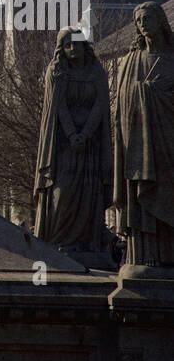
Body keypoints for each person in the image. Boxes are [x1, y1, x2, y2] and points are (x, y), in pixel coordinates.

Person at [33, 28, 112, 253]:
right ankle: (58, 242)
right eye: (67, 45)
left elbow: (101, 105)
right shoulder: (56, 70)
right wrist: (72, 135)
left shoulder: (96, 71)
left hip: (90, 145)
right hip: (63, 145)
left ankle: (87, 244)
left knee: (89, 193)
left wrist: (85, 134)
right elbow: (57, 105)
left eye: (76, 44)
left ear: (84, 46)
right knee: (62, 192)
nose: (72, 48)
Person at [113, 2, 174, 267]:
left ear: (161, 21)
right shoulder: (129, 62)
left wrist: (154, 96)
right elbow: (119, 105)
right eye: (139, 21)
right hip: (137, 144)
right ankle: (144, 257)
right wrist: (141, 95)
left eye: (148, 18)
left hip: (167, 145)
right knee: (141, 200)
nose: (143, 24)